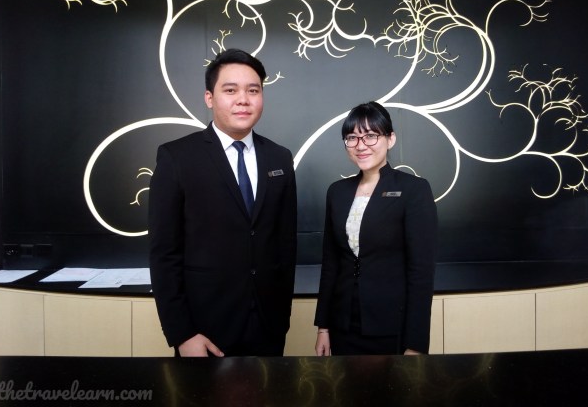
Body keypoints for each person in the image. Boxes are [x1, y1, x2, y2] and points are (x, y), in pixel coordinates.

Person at [149, 48, 297, 357]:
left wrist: (281, 319)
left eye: (253, 90)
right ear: (209, 98)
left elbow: (285, 245)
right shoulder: (177, 157)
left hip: (268, 328)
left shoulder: (279, 157)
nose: (243, 99)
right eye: (230, 90)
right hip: (204, 332)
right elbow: (164, 254)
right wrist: (182, 334)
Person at [314, 101, 437, 355]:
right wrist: (323, 327)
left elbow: (421, 273)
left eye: (370, 136)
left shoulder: (414, 190)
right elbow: (331, 264)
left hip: (391, 326)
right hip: (343, 325)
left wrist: (415, 343)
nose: (361, 145)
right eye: (352, 137)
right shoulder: (337, 192)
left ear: (390, 139)